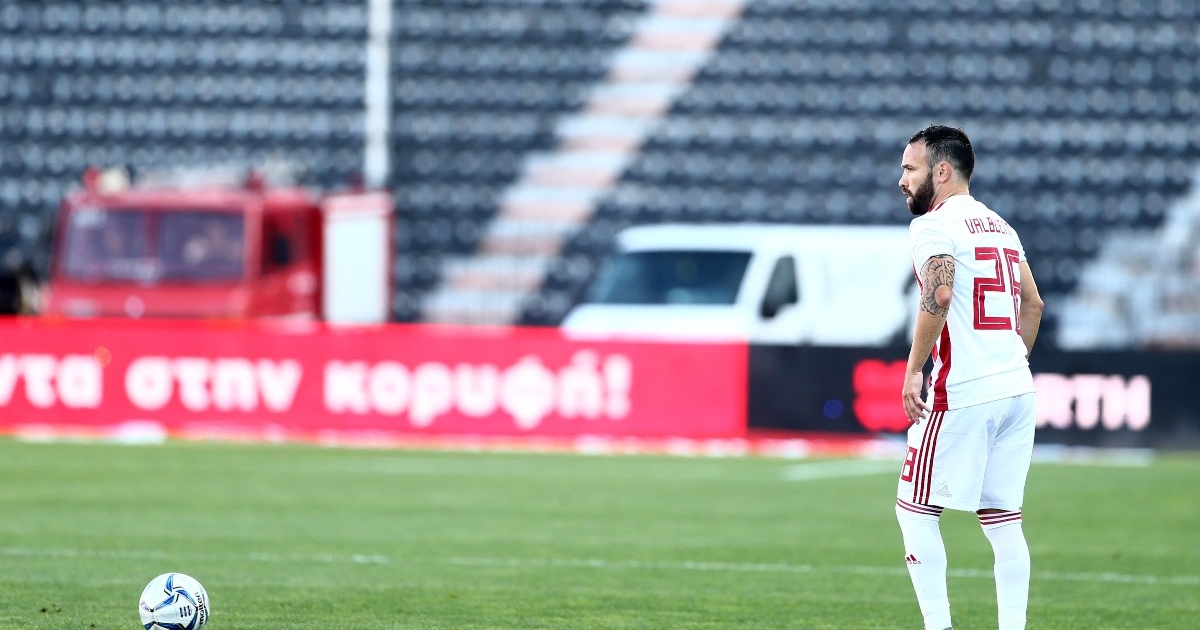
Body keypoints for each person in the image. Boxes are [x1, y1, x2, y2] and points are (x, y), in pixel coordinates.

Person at [894, 125, 1044, 630]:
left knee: (914, 510)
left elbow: (939, 294)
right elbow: (1033, 304)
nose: (902, 179)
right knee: (1003, 521)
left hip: (964, 392)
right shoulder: (1001, 226)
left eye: (910, 168)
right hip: (1017, 390)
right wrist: (1007, 364)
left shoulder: (933, 226)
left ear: (941, 171)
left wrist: (914, 370)